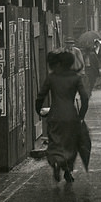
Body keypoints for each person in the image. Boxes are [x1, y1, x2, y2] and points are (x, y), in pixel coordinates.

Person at [35, 50, 89, 183]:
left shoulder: (52, 77)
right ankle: (67, 170)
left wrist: (38, 110)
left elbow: (41, 95)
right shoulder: (76, 78)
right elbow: (85, 98)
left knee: (55, 142)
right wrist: (81, 115)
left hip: (55, 115)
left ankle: (56, 163)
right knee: (70, 144)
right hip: (71, 115)